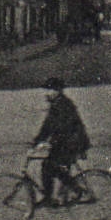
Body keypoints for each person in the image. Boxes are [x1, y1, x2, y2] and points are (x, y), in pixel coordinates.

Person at [30, 77, 91, 207]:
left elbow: (63, 128)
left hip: (73, 143)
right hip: (65, 143)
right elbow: (47, 126)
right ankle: (60, 195)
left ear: (58, 90)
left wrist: (50, 143)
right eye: (46, 90)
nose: (47, 93)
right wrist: (37, 141)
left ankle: (74, 191)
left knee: (48, 166)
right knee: (54, 168)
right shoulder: (56, 104)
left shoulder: (64, 105)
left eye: (50, 90)